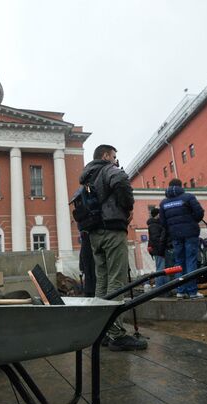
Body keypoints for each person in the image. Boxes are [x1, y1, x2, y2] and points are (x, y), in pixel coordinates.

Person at [79, 144, 146, 351]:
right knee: (117, 280)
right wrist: (127, 208)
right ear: (106, 155)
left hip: (94, 234)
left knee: (102, 281)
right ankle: (116, 334)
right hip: (112, 229)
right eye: (114, 156)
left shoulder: (87, 176)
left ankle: (102, 331)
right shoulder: (109, 169)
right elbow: (121, 182)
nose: (116, 160)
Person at [159, 178, 205, 299]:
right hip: (190, 234)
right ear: (180, 186)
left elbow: (163, 222)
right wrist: (191, 221)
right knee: (191, 260)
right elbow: (199, 213)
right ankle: (192, 292)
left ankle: (181, 290)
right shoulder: (188, 197)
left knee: (179, 262)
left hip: (175, 236)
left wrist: (173, 229)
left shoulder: (164, 203)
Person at [146, 205, 172, 288]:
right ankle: (160, 287)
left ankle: (164, 287)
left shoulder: (154, 224)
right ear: (157, 215)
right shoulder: (154, 225)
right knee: (161, 269)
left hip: (159, 250)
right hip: (159, 250)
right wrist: (161, 249)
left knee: (163, 268)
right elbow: (156, 238)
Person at [78, 230, 96, 297]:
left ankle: (89, 293)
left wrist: (81, 266)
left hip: (88, 260)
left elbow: (82, 253)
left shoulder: (84, 236)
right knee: (91, 277)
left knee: (89, 278)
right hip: (91, 260)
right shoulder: (89, 236)